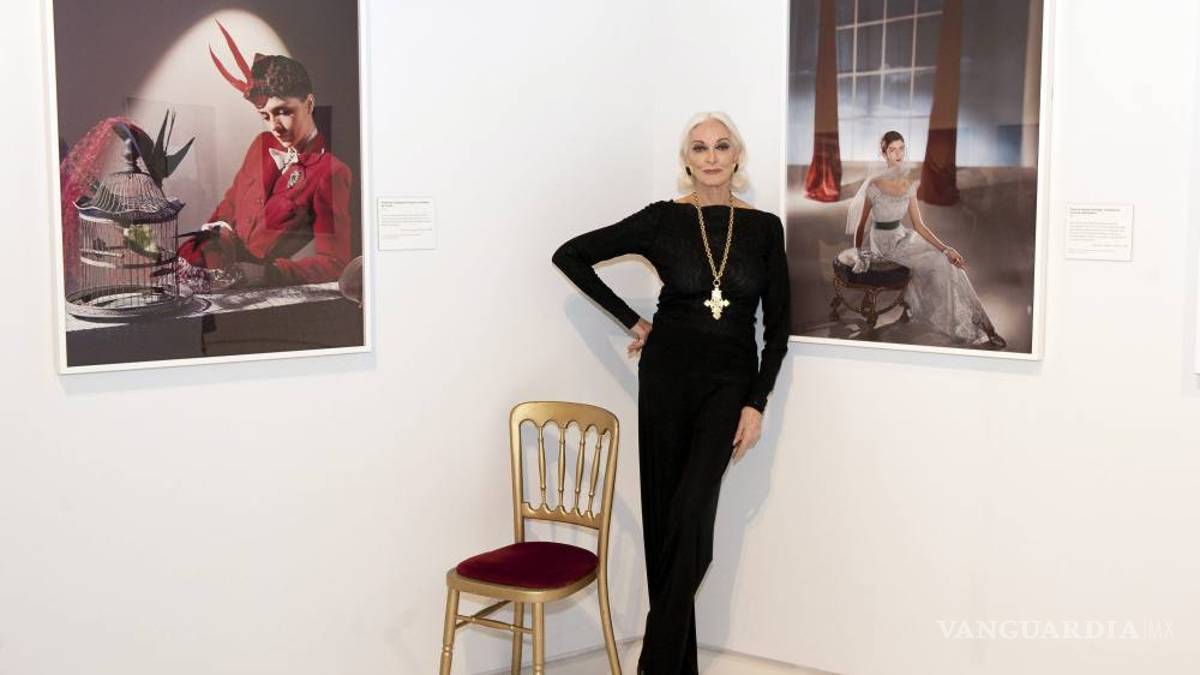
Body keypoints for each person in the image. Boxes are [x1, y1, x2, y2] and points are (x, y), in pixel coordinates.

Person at [552, 112, 790, 675]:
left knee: (692, 519)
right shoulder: (663, 219)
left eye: (722, 146)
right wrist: (632, 320)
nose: (711, 156)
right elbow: (570, 255)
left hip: (729, 384)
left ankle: (653, 666)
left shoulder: (764, 228)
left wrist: (756, 402)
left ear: (737, 155)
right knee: (666, 520)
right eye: (699, 147)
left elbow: (778, 327)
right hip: (666, 378)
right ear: (687, 160)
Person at [178, 21, 352, 287]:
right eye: (265, 116)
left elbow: (335, 263)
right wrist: (217, 234)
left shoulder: (331, 172)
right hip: (222, 280)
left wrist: (269, 274)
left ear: (309, 104)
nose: (275, 127)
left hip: (265, 291)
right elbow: (230, 204)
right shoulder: (261, 144)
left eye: (283, 112)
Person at [848, 130, 1006, 348]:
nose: (898, 154)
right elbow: (861, 224)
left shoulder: (908, 182)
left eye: (901, 148)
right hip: (884, 244)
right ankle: (959, 324)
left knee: (949, 262)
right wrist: (858, 254)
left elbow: (919, 225)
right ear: (884, 154)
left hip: (903, 236)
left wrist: (946, 248)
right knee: (936, 264)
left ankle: (984, 325)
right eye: (892, 150)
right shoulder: (874, 185)